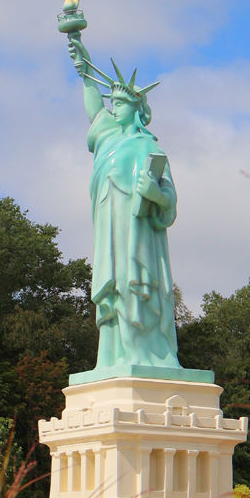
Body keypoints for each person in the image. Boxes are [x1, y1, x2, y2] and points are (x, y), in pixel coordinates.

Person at [67, 36, 182, 372]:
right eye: (112, 103)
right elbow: (94, 108)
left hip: (139, 235)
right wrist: (84, 68)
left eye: (120, 103)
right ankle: (113, 357)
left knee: (135, 289)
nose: (113, 108)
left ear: (136, 108)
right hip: (109, 231)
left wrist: (155, 194)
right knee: (114, 290)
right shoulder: (107, 137)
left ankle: (146, 354)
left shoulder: (150, 148)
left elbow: (170, 200)